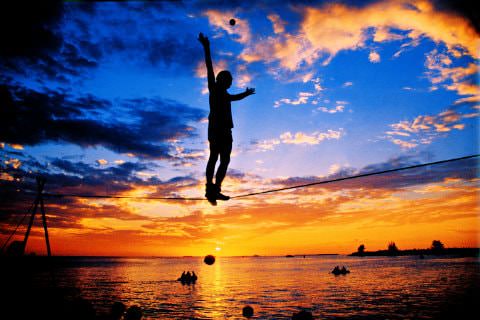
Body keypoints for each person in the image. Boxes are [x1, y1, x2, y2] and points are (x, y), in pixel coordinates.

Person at [198, 32, 255, 205]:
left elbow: (235, 98)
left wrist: (245, 93)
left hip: (226, 130)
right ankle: (210, 189)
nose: (229, 82)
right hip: (216, 129)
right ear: (221, 80)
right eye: (228, 79)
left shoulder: (225, 94)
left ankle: (216, 189)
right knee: (214, 157)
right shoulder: (214, 89)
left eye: (230, 80)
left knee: (225, 160)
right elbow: (209, 67)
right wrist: (206, 47)